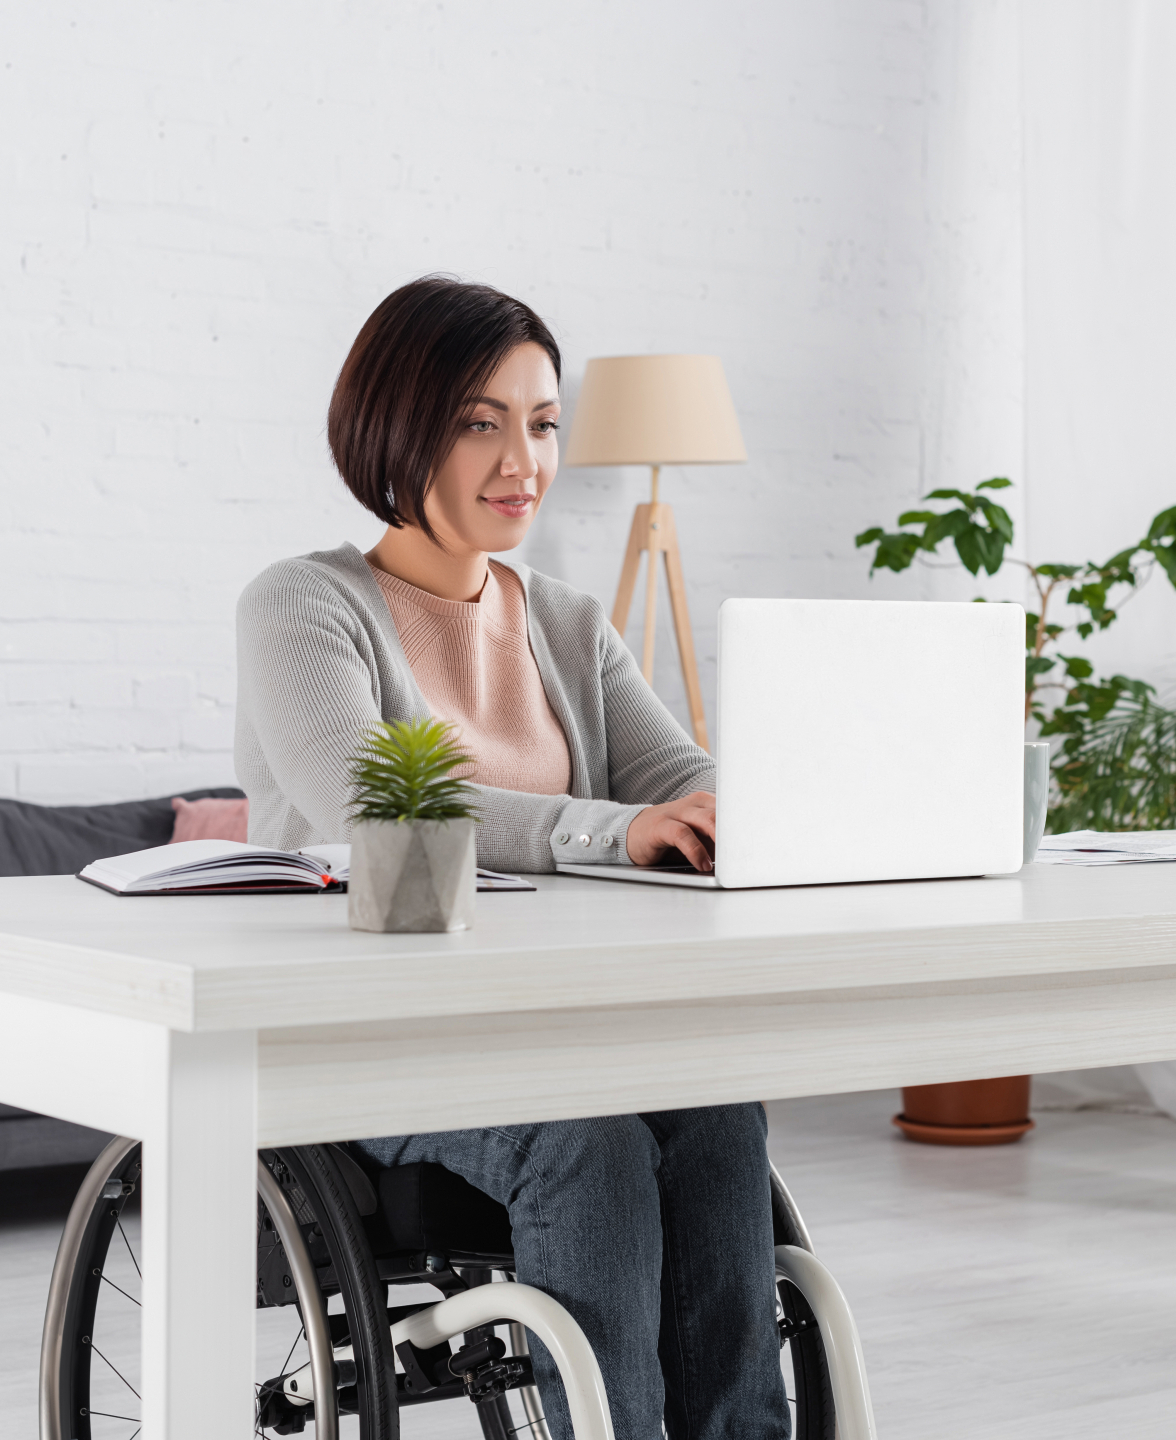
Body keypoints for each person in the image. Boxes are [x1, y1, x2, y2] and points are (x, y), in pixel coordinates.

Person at [235, 275, 790, 1440]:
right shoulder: (303, 607)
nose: (521, 459)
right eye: (477, 421)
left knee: (718, 1111)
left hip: (551, 1024)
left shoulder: (572, 624)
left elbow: (685, 787)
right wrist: (610, 829)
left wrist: (778, 806)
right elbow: (370, 799)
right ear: (394, 425)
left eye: (541, 423)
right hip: (363, 1040)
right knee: (585, 1146)